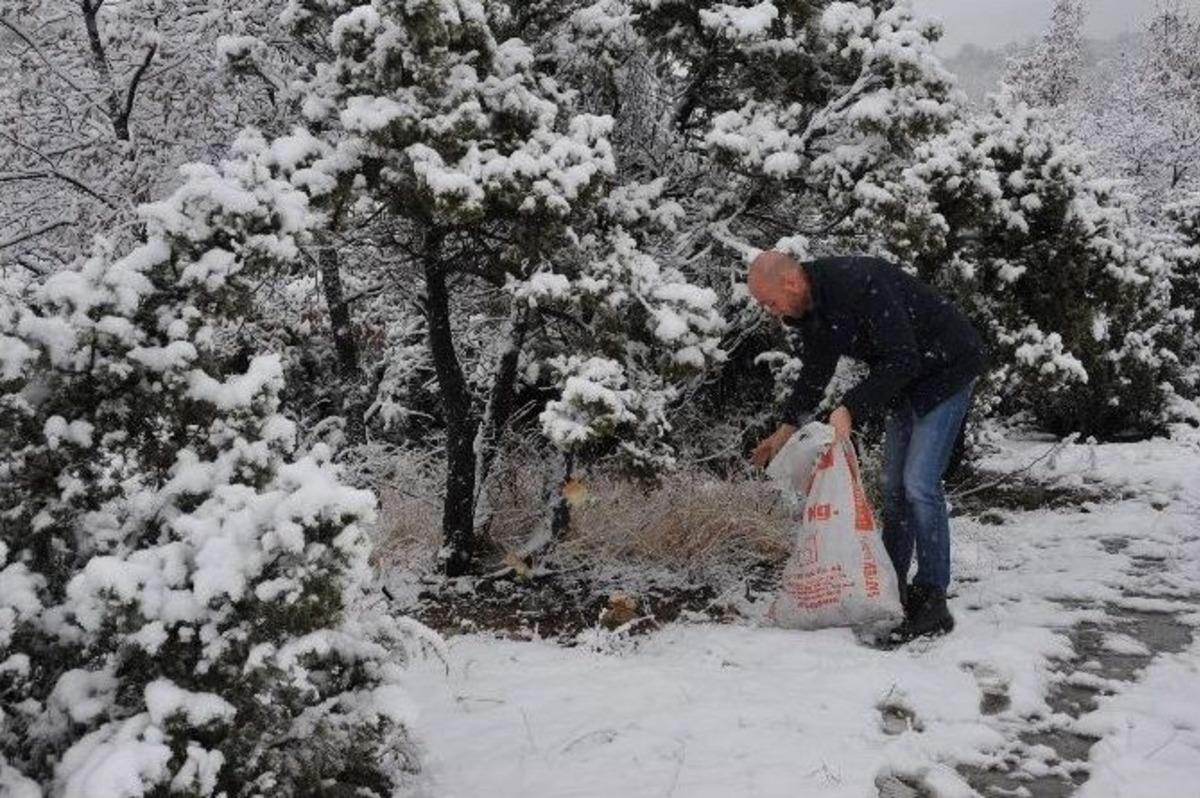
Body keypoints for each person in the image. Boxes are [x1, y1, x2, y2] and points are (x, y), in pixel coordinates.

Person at [747, 251, 987, 643]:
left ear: (791, 282)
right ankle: (891, 585)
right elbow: (816, 368)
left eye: (769, 301)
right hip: (908, 379)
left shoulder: (857, 283)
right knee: (893, 487)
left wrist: (850, 409)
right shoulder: (812, 309)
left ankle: (932, 598)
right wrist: (787, 425)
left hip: (947, 367)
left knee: (919, 484)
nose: (770, 311)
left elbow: (902, 356)